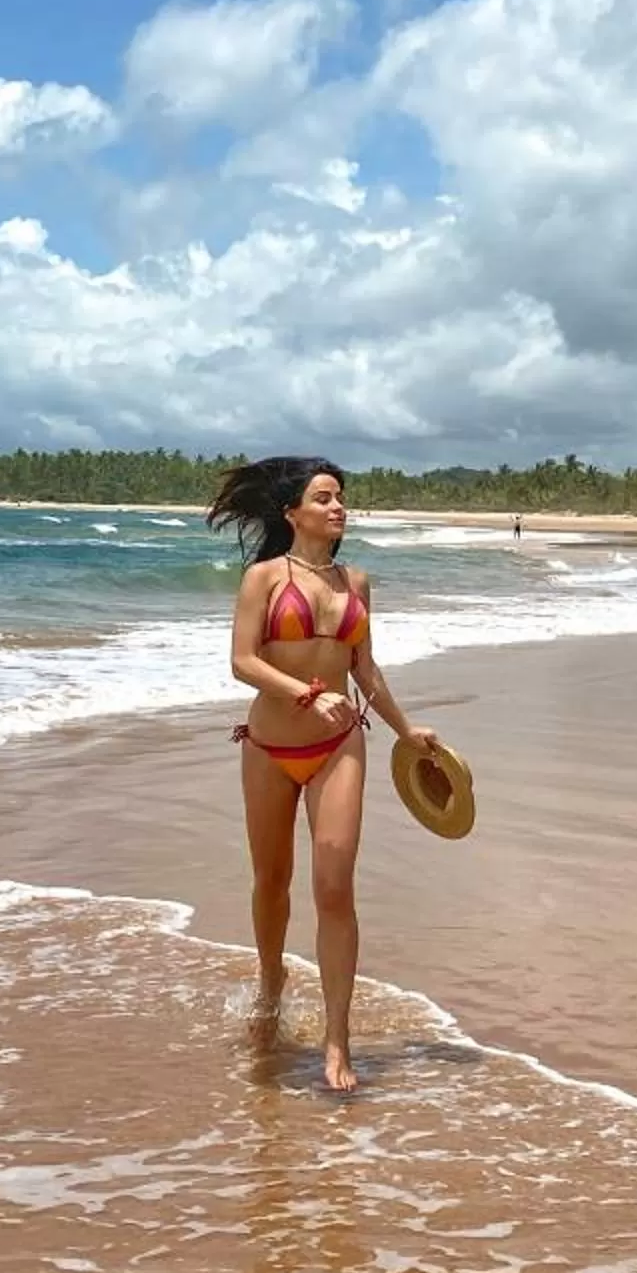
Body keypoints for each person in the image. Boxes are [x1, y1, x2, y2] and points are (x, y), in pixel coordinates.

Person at [208, 456, 437, 1092]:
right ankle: (271, 982)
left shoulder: (355, 582)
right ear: (292, 513)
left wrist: (406, 729)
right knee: (272, 880)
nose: (338, 507)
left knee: (335, 885)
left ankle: (338, 1041)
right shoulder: (262, 578)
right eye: (324, 497)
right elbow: (242, 662)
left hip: (340, 746)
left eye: (341, 498)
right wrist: (306, 693)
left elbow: (365, 670)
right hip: (268, 748)